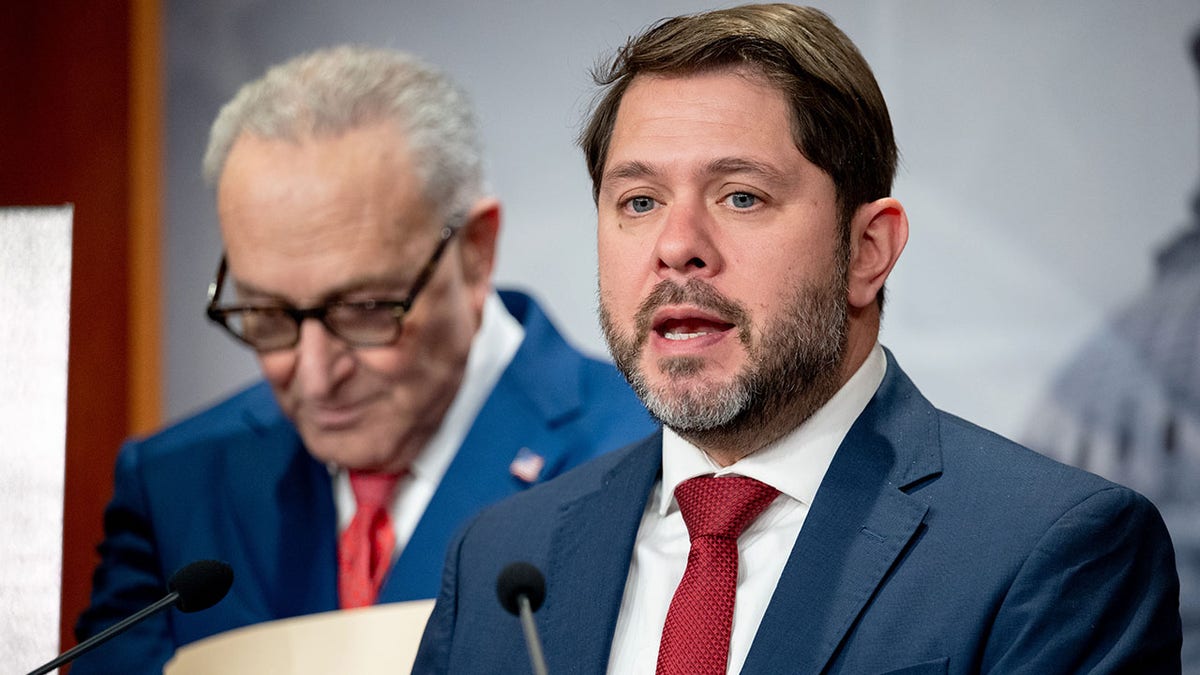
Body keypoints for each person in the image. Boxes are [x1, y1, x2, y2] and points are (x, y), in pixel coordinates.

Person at [413, 5, 1183, 673]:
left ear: (869, 250)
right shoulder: (498, 559)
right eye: (639, 200)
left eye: (741, 195)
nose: (677, 245)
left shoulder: (1050, 550)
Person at [71, 45, 655, 672]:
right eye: (267, 316)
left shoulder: (652, 456)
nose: (316, 375)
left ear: (476, 251)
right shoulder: (177, 485)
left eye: (366, 309)